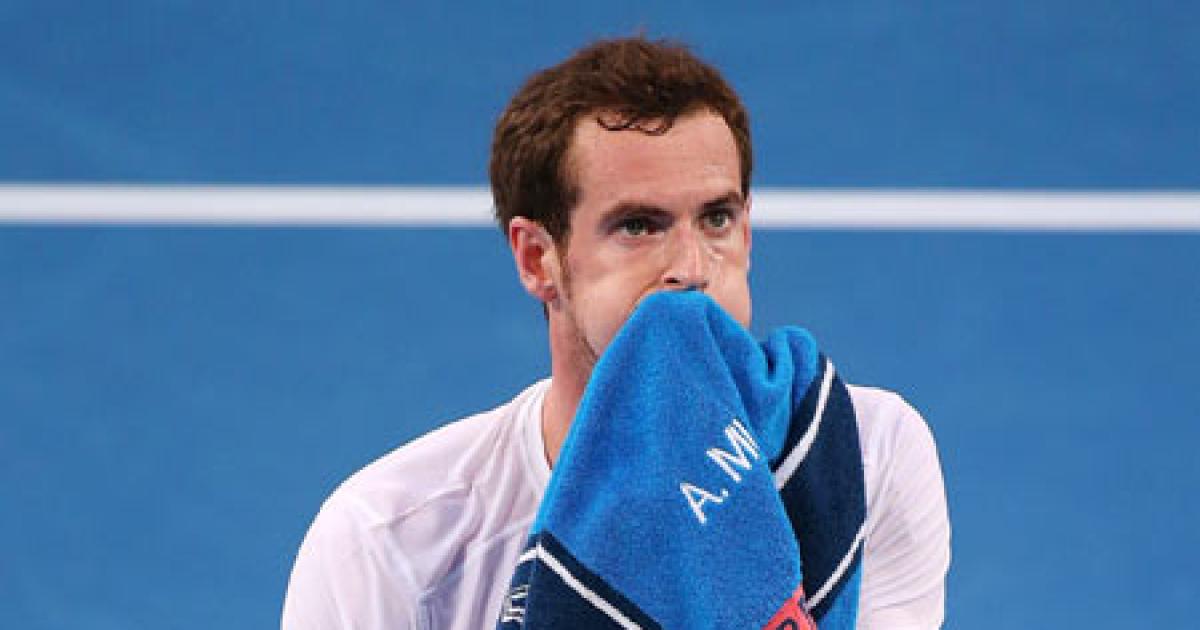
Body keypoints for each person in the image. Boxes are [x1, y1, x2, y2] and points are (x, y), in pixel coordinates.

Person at [282, 37, 950, 629]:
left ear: (747, 233)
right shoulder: (387, 545)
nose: (691, 268)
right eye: (638, 227)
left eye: (716, 219)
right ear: (537, 259)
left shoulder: (864, 456)